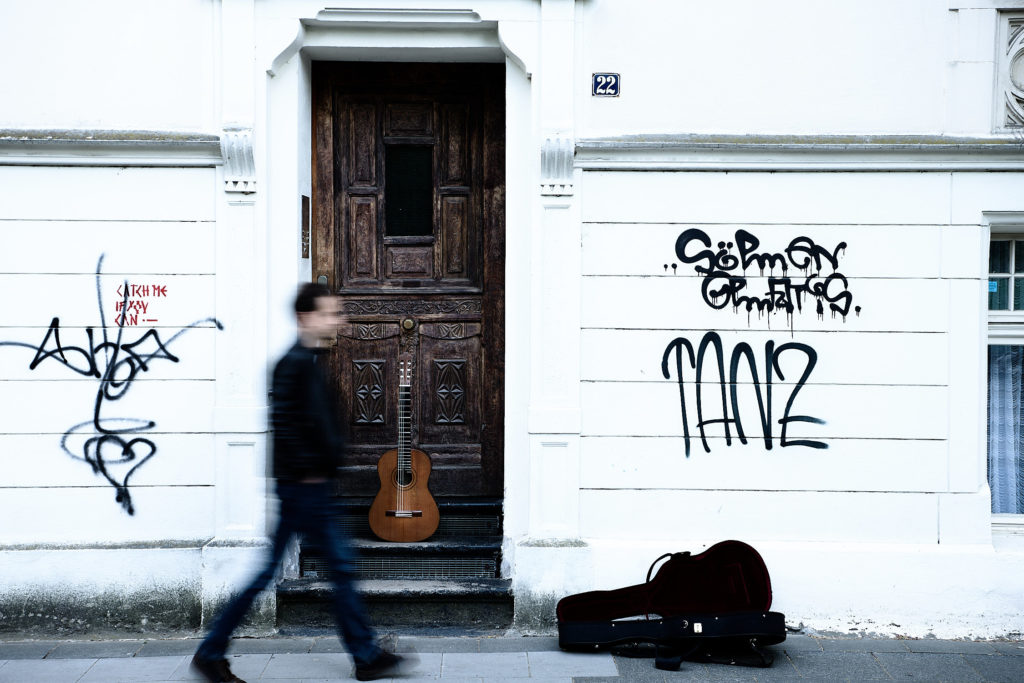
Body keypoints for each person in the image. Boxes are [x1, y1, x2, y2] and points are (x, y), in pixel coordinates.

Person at [192, 283, 408, 682]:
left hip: (311, 486)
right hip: (305, 488)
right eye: (330, 313)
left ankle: (364, 655)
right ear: (306, 317)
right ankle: (364, 656)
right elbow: (285, 425)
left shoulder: (309, 360)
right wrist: (310, 469)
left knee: (330, 570)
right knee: (326, 569)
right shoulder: (292, 363)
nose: (339, 320)